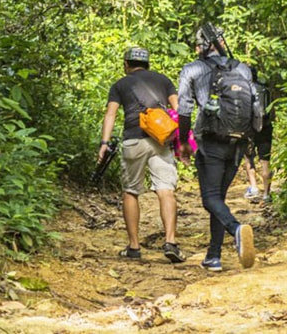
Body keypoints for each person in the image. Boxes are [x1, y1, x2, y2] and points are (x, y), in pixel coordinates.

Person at [177, 23, 256, 272]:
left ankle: (235, 230)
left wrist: (182, 142)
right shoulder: (243, 69)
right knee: (217, 198)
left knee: (210, 198)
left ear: (202, 46)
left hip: (210, 140)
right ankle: (213, 256)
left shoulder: (192, 69)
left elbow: (184, 110)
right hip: (238, 141)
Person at [98, 46, 184, 263]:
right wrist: (182, 139)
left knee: (130, 191)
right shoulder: (163, 80)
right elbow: (179, 108)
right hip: (160, 140)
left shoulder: (120, 85)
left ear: (127, 64)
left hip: (133, 140)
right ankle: (171, 242)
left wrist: (104, 143)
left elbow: (111, 114)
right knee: (166, 190)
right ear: (147, 64)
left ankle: (134, 246)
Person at [242, 66, 274, 203]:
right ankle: (266, 193)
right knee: (265, 161)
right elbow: (272, 112)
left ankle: (253, 187)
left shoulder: (243, 90)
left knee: (249, 158)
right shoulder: (265, 89)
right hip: (265, 127)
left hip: (249, 128)